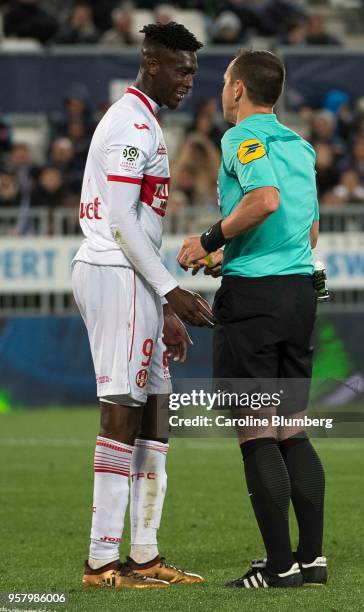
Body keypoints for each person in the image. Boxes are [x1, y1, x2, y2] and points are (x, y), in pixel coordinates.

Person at [72, 21, 214, 589]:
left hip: (135, 279)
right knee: (122, 410)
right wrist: (169, 289)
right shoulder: (130, 124)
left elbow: (140, 226)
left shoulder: (147, 122)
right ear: (152, 64)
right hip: (116, 272)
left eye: (195, 72)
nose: (189, 81)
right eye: (181, 70)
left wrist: (166, 310)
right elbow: (124, 219)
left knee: (156, 410)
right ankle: (101, 561)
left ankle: (145, 555)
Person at [178, 49, 326, 589]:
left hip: (256, 302)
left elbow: (263, 200)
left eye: (222, 82)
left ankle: (279, 567)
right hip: (296, 292)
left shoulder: (242, 138)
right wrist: (228, 257)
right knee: (292, 428)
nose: (220, 91)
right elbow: (307, 231)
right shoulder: (302, 145)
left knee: (255, 431)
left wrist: (208, 240)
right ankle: (311, 559)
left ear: (238, 89)